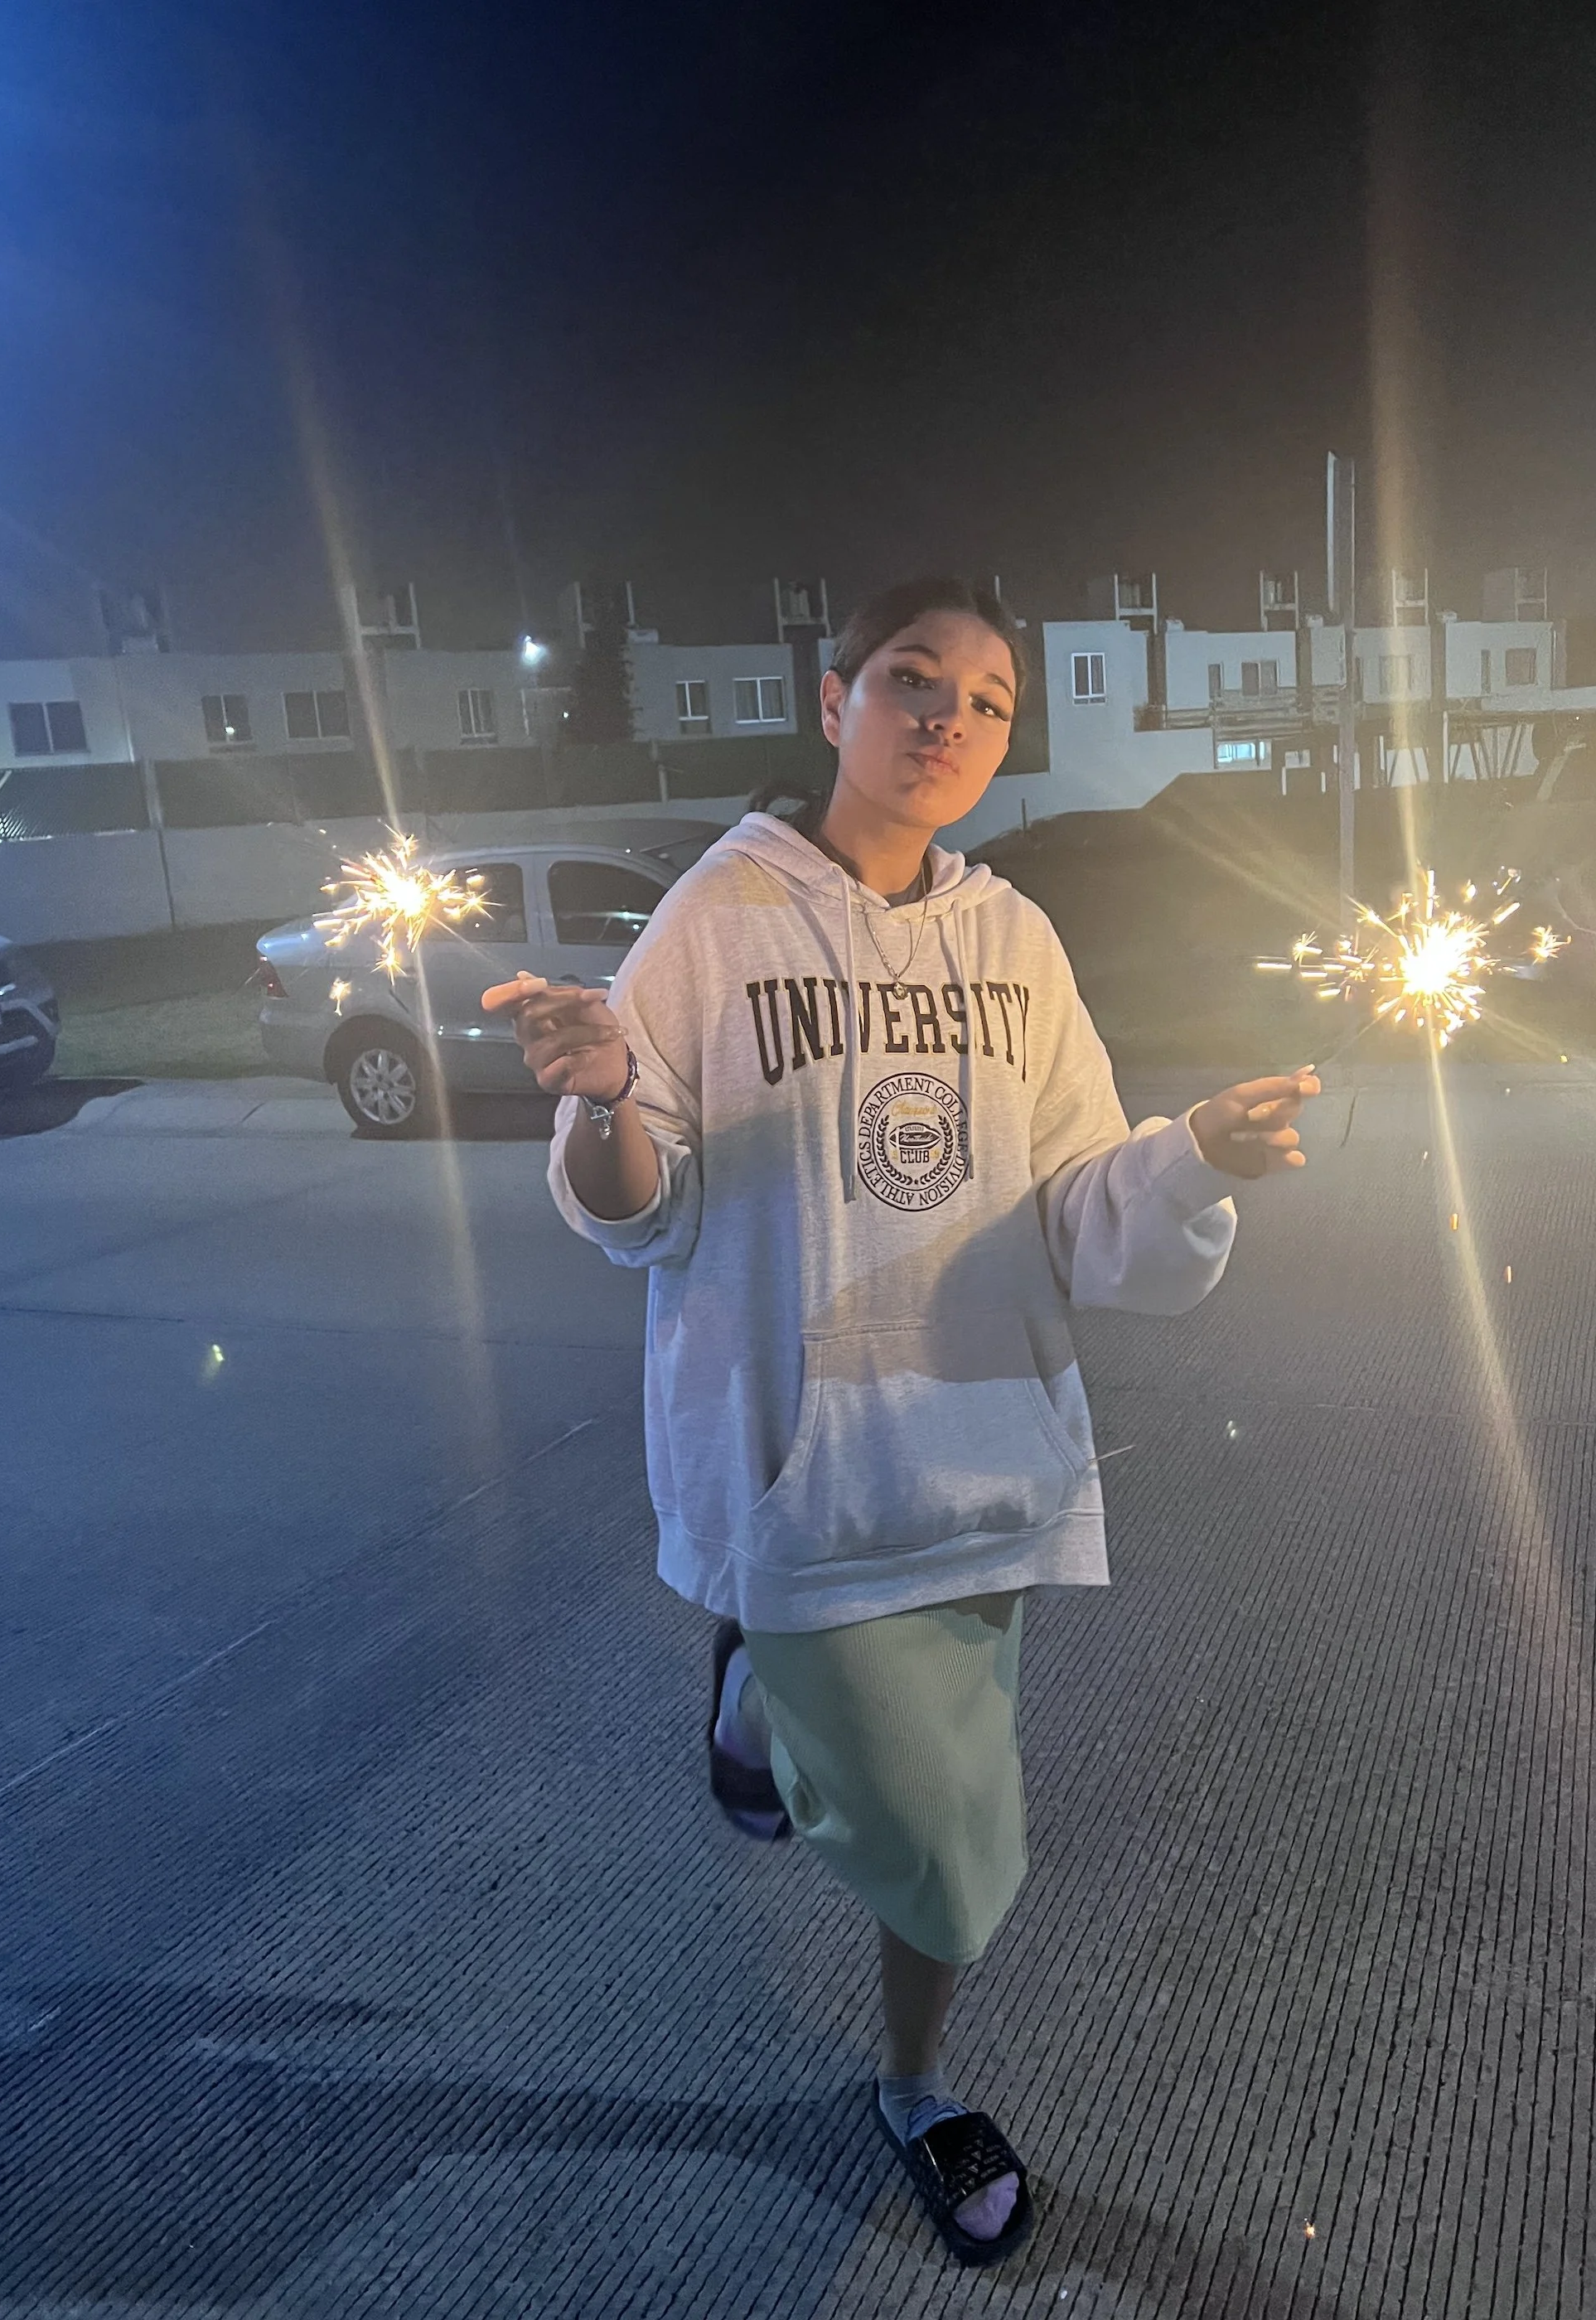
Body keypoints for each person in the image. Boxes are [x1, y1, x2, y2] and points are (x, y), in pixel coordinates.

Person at [482, 576, 1318, 2268]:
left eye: (990, 701)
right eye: (914, 680)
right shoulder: (719, 918)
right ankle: (774, 1713)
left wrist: (1190, 1159)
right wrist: (604, 1098)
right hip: (806, 1468)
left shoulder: (1015, 942)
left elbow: (1075, 1195)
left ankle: (913, 2076)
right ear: (835, 699)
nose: (951, 718)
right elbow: (643, 1206)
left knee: (958, 1813)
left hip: (980, 1457)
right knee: (943, 1831)